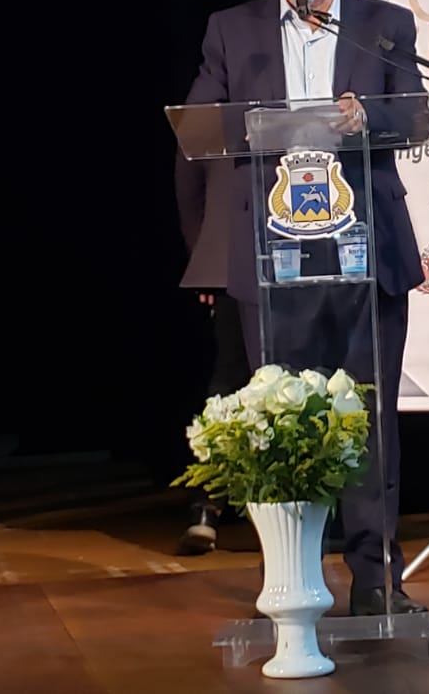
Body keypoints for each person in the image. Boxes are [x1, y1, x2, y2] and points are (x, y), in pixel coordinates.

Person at [183, 0, 429, 616]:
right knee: (282, 420)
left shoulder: (383, 26)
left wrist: (370, 116)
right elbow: (200, 125)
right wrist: (254, 123)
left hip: (365, 253)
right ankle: (293, 578)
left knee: (369, 422)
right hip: (276, 261)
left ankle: (376, 581)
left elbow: (416, 116)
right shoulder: (233, 30)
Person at [173, 146, 252, 555]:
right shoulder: (211, 105)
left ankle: (297, 508)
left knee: (294, 379)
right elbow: (190, 186)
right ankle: (208, 504)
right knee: (230, 382)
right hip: (233, 262)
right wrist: (205, 260)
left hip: (298, 251)